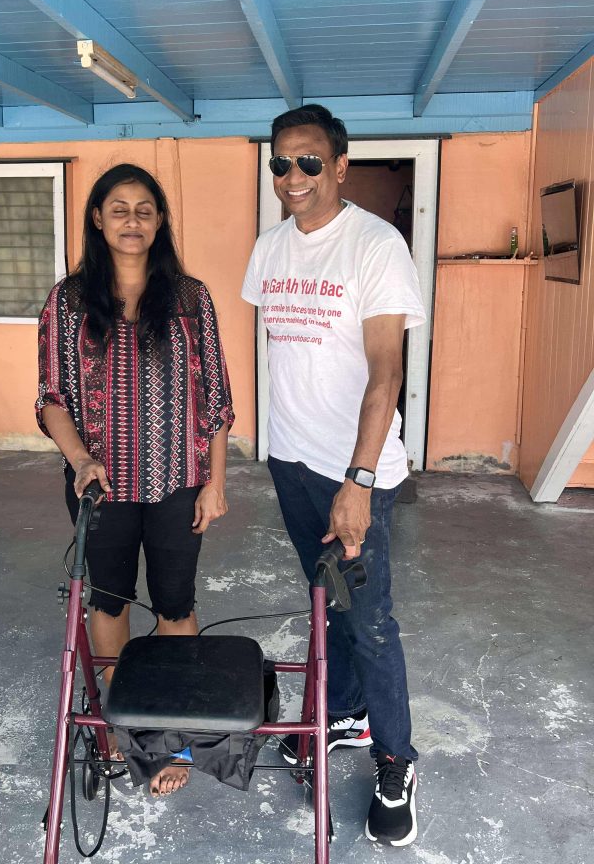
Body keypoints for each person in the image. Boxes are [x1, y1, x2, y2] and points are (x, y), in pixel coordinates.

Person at [242, 105, 425, 847]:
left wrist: (359, 479)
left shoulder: (376, 246)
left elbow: (386, 374)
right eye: (281, 163)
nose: (294, 176)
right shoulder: (269, 249)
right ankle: (343, 715)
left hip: (354, 471)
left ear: (340, 166)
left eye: (309, 162)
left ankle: (396, 760)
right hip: (291, 461)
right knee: (328, 603)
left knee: (370, 621)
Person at [36, 163, 234, 798]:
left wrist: (216, 482)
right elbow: (51, 397)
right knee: (111, 601)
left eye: (144, 209)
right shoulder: (68, 301)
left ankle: (171, 733)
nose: (131, 220)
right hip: (100, 487)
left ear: (159, 221)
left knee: (176, 603)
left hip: (179, 480)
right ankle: (120, 724)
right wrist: (79, 460)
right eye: (118, 209)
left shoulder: (190, 299)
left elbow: (215, 400)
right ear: (97, 218)